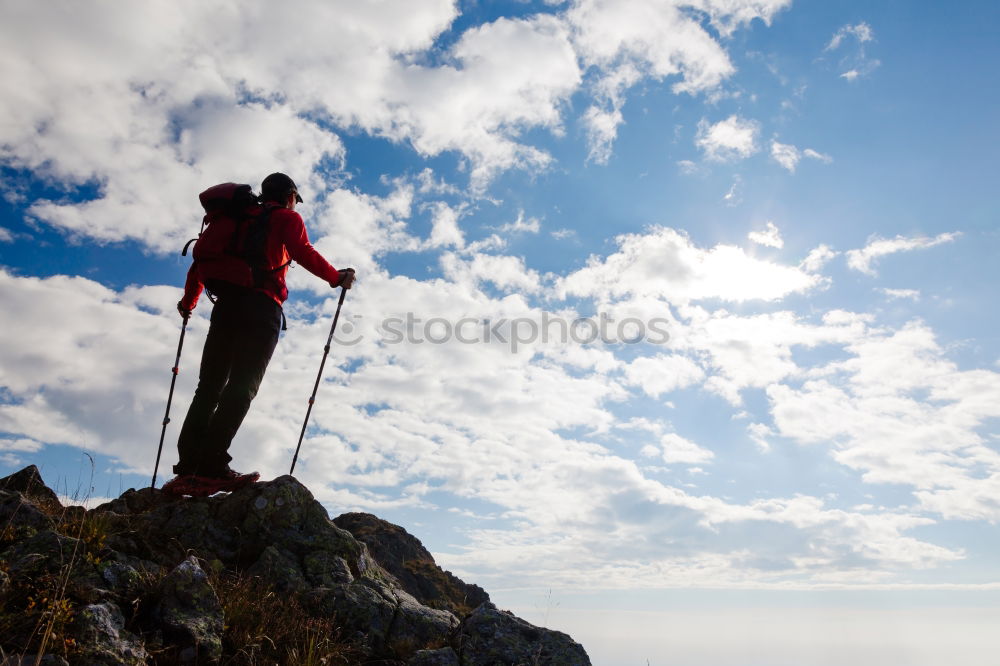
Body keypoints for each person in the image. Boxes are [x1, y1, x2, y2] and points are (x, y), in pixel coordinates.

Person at [163, 172, 354, 495]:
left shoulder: (233, 219)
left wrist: (188, 302)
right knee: (242, 386)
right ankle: (211, 468)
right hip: (261, 308)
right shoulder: (285, 218)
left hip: (225, 307)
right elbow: (302, 250)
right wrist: (336, 278)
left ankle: (188, 469)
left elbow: (199, 265)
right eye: (295, 198)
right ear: (290, 195)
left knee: (207, 388)